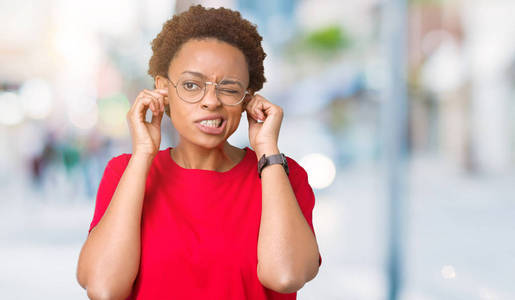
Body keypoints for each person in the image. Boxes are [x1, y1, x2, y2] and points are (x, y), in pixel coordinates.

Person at [76, 5, 321, 300]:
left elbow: (286, 275)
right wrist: (143, 153)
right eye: (192, 85)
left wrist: (267, 149)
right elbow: (103, 288)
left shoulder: (281, 174)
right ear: (162, 89)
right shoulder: (125, 172)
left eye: (229, 89)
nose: (211, 102)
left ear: (248, 100)